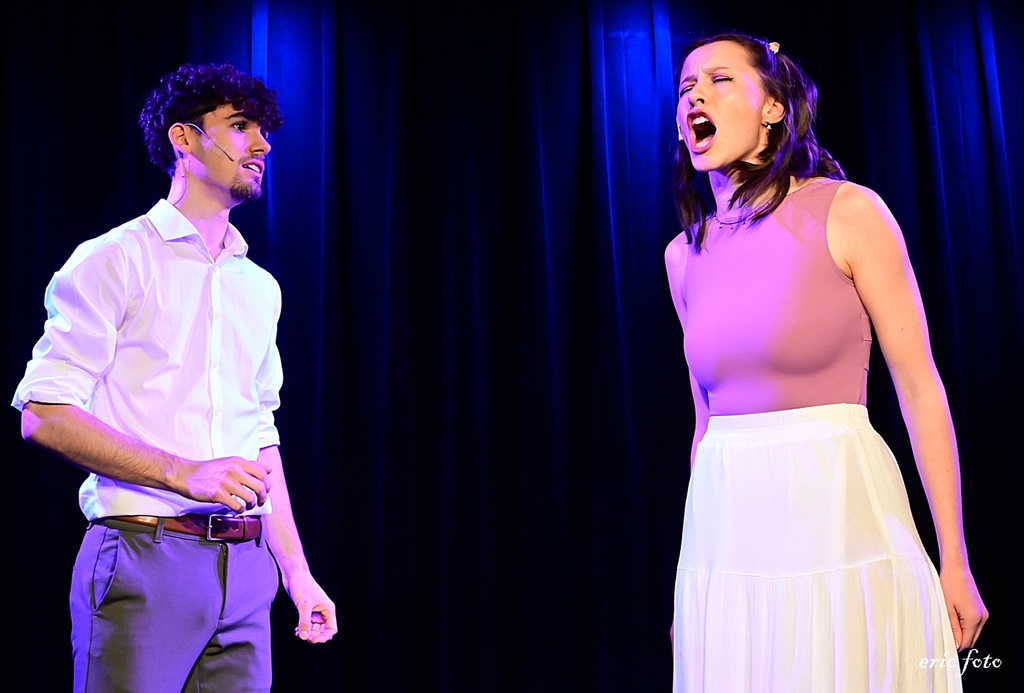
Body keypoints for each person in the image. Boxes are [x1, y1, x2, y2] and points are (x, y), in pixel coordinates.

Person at [664, 34, 986, 691]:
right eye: (686, 87)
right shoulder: (682, 257)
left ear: (773, 107)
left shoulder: (849, 212)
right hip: (729, 536)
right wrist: (693, 580)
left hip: (836, 514)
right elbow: (705, 428)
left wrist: (955, 559)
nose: (695, 96)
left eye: (720, 80)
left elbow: (919, 388)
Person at [13, 63, 336, 693]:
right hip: (144, 552)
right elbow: (43, 414)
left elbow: (259, 437)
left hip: (246, 569)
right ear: (184, 139)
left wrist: (296, 574)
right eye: (240, 126)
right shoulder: (113, 259)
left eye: (264, 130)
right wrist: (183, 473)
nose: (262, 145)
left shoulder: (258, 286)